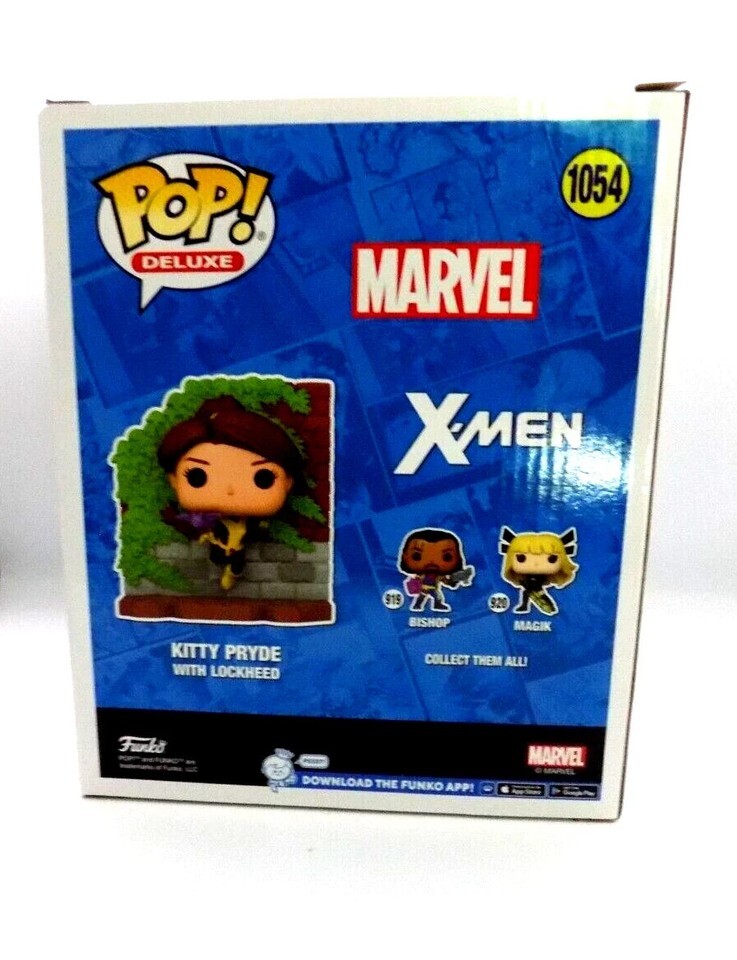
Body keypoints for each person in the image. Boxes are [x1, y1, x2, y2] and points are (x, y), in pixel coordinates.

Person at [157, 395, 303, 590]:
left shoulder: (251, 522)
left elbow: (256, 530)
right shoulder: (212, 519)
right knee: (217, 557)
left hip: (237, 549)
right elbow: (201, 526)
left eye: (263, 478)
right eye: (197, 477)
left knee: (236, 565)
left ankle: (231, 573)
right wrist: (205, 535)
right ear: (174, 480)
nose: (230, 490)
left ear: (288, 483)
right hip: (220, 545)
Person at [498, 527, 578, 616]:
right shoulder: (526, 575)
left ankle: (551, 606)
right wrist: (525, 583)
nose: (536, 564)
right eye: (521, 558)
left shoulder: (542, 576)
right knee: (527, 593)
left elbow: (540, 581)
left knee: (541, 595)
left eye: (551, 559)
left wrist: (530, 584)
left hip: (537, 587)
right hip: (530, 586)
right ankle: (525, 606)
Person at [398, 528, 475, 612]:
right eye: (417, 556)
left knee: (425, 597)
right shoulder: (425, 575)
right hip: (427, 588)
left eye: (447, 557)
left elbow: (444, 580)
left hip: (428, 588)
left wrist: (452, 581)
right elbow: (421, 578)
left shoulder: (437, 575)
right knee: (434, 597)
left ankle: (420, 606)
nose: (432, 562)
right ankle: (428, 605)